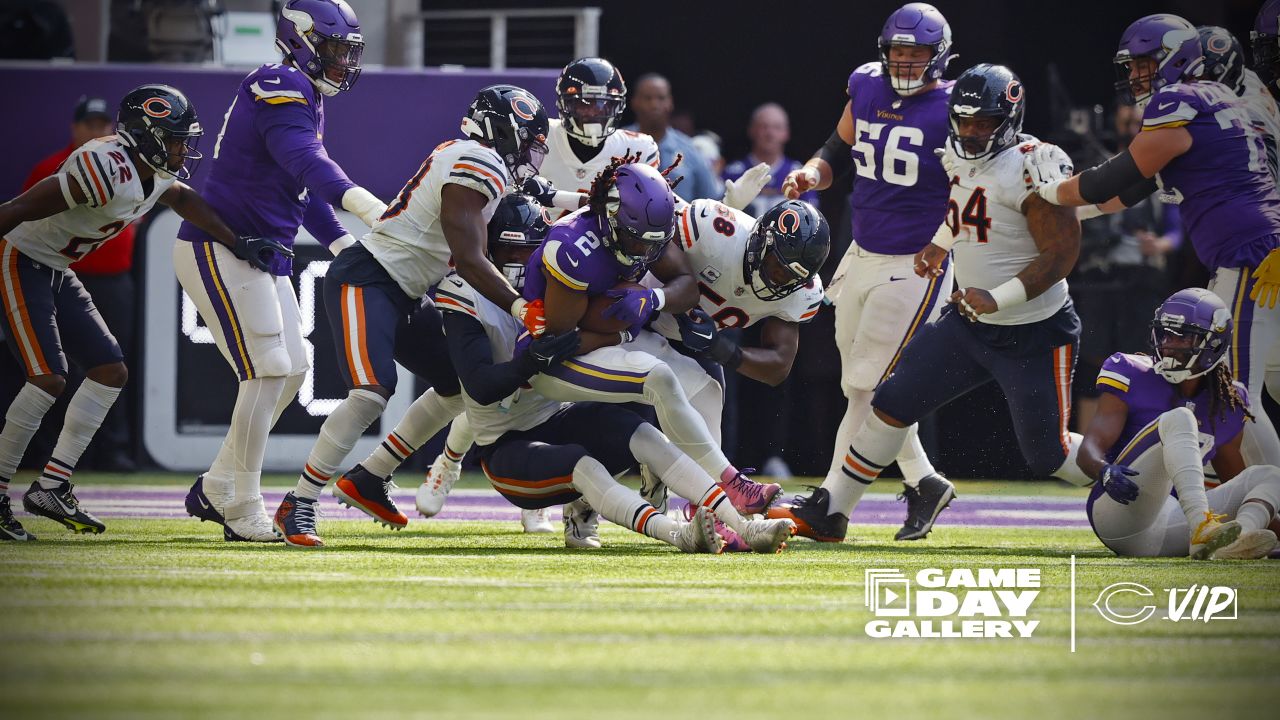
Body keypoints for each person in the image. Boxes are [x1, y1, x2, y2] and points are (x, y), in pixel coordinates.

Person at [772, 64, 1092, 541]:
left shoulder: (1034, 162)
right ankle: (831, 510)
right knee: (892, 399)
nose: (970, 131)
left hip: (1032, 328)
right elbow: (965, 210)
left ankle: (1129, 475)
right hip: (969, 320)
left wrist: (997, 296)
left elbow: (1062, 254)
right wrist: (942, 242)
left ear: (1008, 119)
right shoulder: (959, 156)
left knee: (1049, 453)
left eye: (983, 122)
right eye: (963, 121)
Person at [0, 84, 288, 541]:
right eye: (175, 139)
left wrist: (237, 241)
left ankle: (52, 485)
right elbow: (16, 209)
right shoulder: (102, 168)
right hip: (21, 258)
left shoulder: (149, 168)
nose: (182, 149)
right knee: (48, 377)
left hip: (56, 266)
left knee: (110, 370)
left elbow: (181, 198)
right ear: (147, 135)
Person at [272, 85, 553, 548]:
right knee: (371, 393)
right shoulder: (477, 162)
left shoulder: (478, 160)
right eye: (525, 141)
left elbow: (541, 195)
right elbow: (469, 257)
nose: (529, 154)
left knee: (459, 385)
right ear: (501, 131)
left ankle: (370, 476)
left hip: (404, 289)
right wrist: (520, 306)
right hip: (369, 278)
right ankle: (299, 501)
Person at [433, 195, 793, 554]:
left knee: (645, 433)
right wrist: (529, 362)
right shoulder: (467, 293)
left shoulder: (557, 274)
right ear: (487, 248)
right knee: (584, 465)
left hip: (557, 413)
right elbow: (480, 388)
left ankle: (744, 524)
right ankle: (679, 534)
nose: (518, 261)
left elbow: (594, 323)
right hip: (507, 447)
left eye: (527, 250)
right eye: (507, 251)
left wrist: (627, 323)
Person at [1026, 13, 1280, 470]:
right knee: (1273, 381)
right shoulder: (1225, 101)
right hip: (1266, 250)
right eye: (1133, 66)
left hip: (1248, 257)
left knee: (1233, 394)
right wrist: (1070, 211)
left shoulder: (1180, 99)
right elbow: (1132, 189)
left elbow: (1115, 176)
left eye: (1146, 63)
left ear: (1180, 57)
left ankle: (1266, 504)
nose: (1137, 75)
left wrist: (1043, 192)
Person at [177, 0, 389, 543]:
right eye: (336, 48)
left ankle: (218, 483)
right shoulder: (279, 83)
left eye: (349, 51)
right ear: (300, 39)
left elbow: (298, 185)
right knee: (268, 368)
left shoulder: (303, 91)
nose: (344, 61)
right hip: (219, 245)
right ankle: (242, 505)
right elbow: (306, 164)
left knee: (293, 368)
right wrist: (364, 205)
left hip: (257, 251)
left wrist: (342, 239)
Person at [779, 2, 956, 541]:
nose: (905, 62)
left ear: (938, 57)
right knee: (856, 380)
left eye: (917, 53)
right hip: (862, 253)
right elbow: (838, 145)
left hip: (915, 262)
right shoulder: (867, 86)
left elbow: (969, 189)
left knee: (865, 389)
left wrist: (946, 245)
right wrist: (812, 171)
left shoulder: (954, 108)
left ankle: (831, 506)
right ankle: (924, 481)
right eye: (898, 52)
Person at [626, 198, 829, 506]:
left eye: (790, 277)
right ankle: (584, 508)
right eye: (776, 265)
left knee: (707, 439)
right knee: (612, 425)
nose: (778, 281)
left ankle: (705, 511)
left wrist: (722, 349)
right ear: (763, 239)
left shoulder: (801, 292)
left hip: (692, 344)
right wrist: (673, 299)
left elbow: (778, 366)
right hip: (635, 318)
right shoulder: (715, 228)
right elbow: (645, 242)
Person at [1079, 288, 1280, 559]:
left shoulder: (1226, 400)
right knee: (1181, 418)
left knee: (1270, 475)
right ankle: (1202, 528)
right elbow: (1089, 449)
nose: (1169, 343)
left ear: (1214, 344)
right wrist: (1104, 471)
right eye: (1165, 333)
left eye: (1183, 335)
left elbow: (1234, 481)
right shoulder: (1130, 371)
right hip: (1121, 513)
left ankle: (1238, 540)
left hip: (1173, 525)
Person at [22, 96, 139, 471]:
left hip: (114, 280)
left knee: (113, 365)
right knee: (57, 370)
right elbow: (24, 217)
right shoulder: (53, 167)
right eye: (88, 124)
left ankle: (111, 450)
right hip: (61, 274)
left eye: (101, 124)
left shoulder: (135, 172)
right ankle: (49, 452)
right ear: (75, 128)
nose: (95, 131)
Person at [626, 74, 719, 201]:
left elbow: (711, 201)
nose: (654, 104)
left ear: (670, 102)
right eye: (647, 98)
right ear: (634, 102)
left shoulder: (690, 150)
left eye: (661, 98)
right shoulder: (618, 142)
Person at [723, 103, 816, 218]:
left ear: (786, 133)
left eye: (777, 127)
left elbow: (810, 220)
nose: (770, 133)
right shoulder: (733, 172)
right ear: (751, 130)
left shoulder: (800, 175)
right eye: (764, 126)